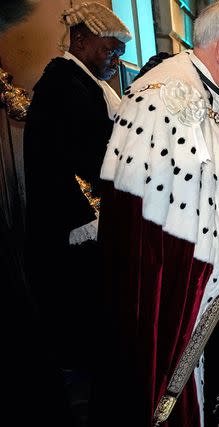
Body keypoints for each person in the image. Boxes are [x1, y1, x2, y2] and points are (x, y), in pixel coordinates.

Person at [92, 1, 219, 426]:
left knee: (217, 389)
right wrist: (211, 268)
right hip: (180, 295)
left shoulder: (218, 93)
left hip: (212, 285)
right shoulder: (167, 95)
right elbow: (154, 234)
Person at [23, 0, 129, 379]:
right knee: (79, 303)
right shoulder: (66, 84)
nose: (115, 61)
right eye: (109, 51)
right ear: (81, 40)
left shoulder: (82, 82)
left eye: (119, 54)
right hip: (71, 216)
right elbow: (89, 156)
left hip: (77, 210)